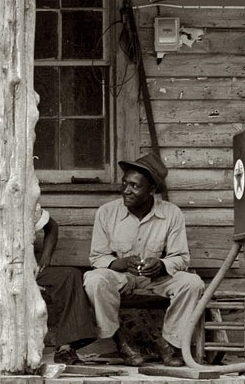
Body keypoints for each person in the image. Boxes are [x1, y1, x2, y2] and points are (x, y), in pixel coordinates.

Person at [0, 157, 98, 366]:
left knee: (70, 276)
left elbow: (52, 227)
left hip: (25, 268)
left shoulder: (21, 205)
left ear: (0, 182)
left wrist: (45, 259)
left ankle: (67, 347)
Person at [82, 152, 205, 367]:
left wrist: (162, 264)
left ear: (151, 190)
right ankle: (122, 341)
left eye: (135, 186)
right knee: (94, 280)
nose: (126, 191)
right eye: (124, 183)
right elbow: (97, 256)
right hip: (121, 277)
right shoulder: (106, 212)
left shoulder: (172, 213)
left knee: (192, 283)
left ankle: (168, 344)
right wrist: (117, 263)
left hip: (157, 280)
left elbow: (181, 257)